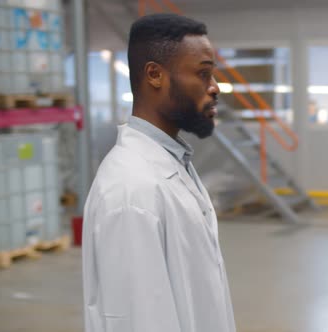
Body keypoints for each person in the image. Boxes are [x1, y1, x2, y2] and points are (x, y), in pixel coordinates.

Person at [82, 14, 236, 332]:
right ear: (155, 75)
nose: (215, 88)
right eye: (203, 74)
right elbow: (139, 320)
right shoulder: (131, 190)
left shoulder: (172, 164)